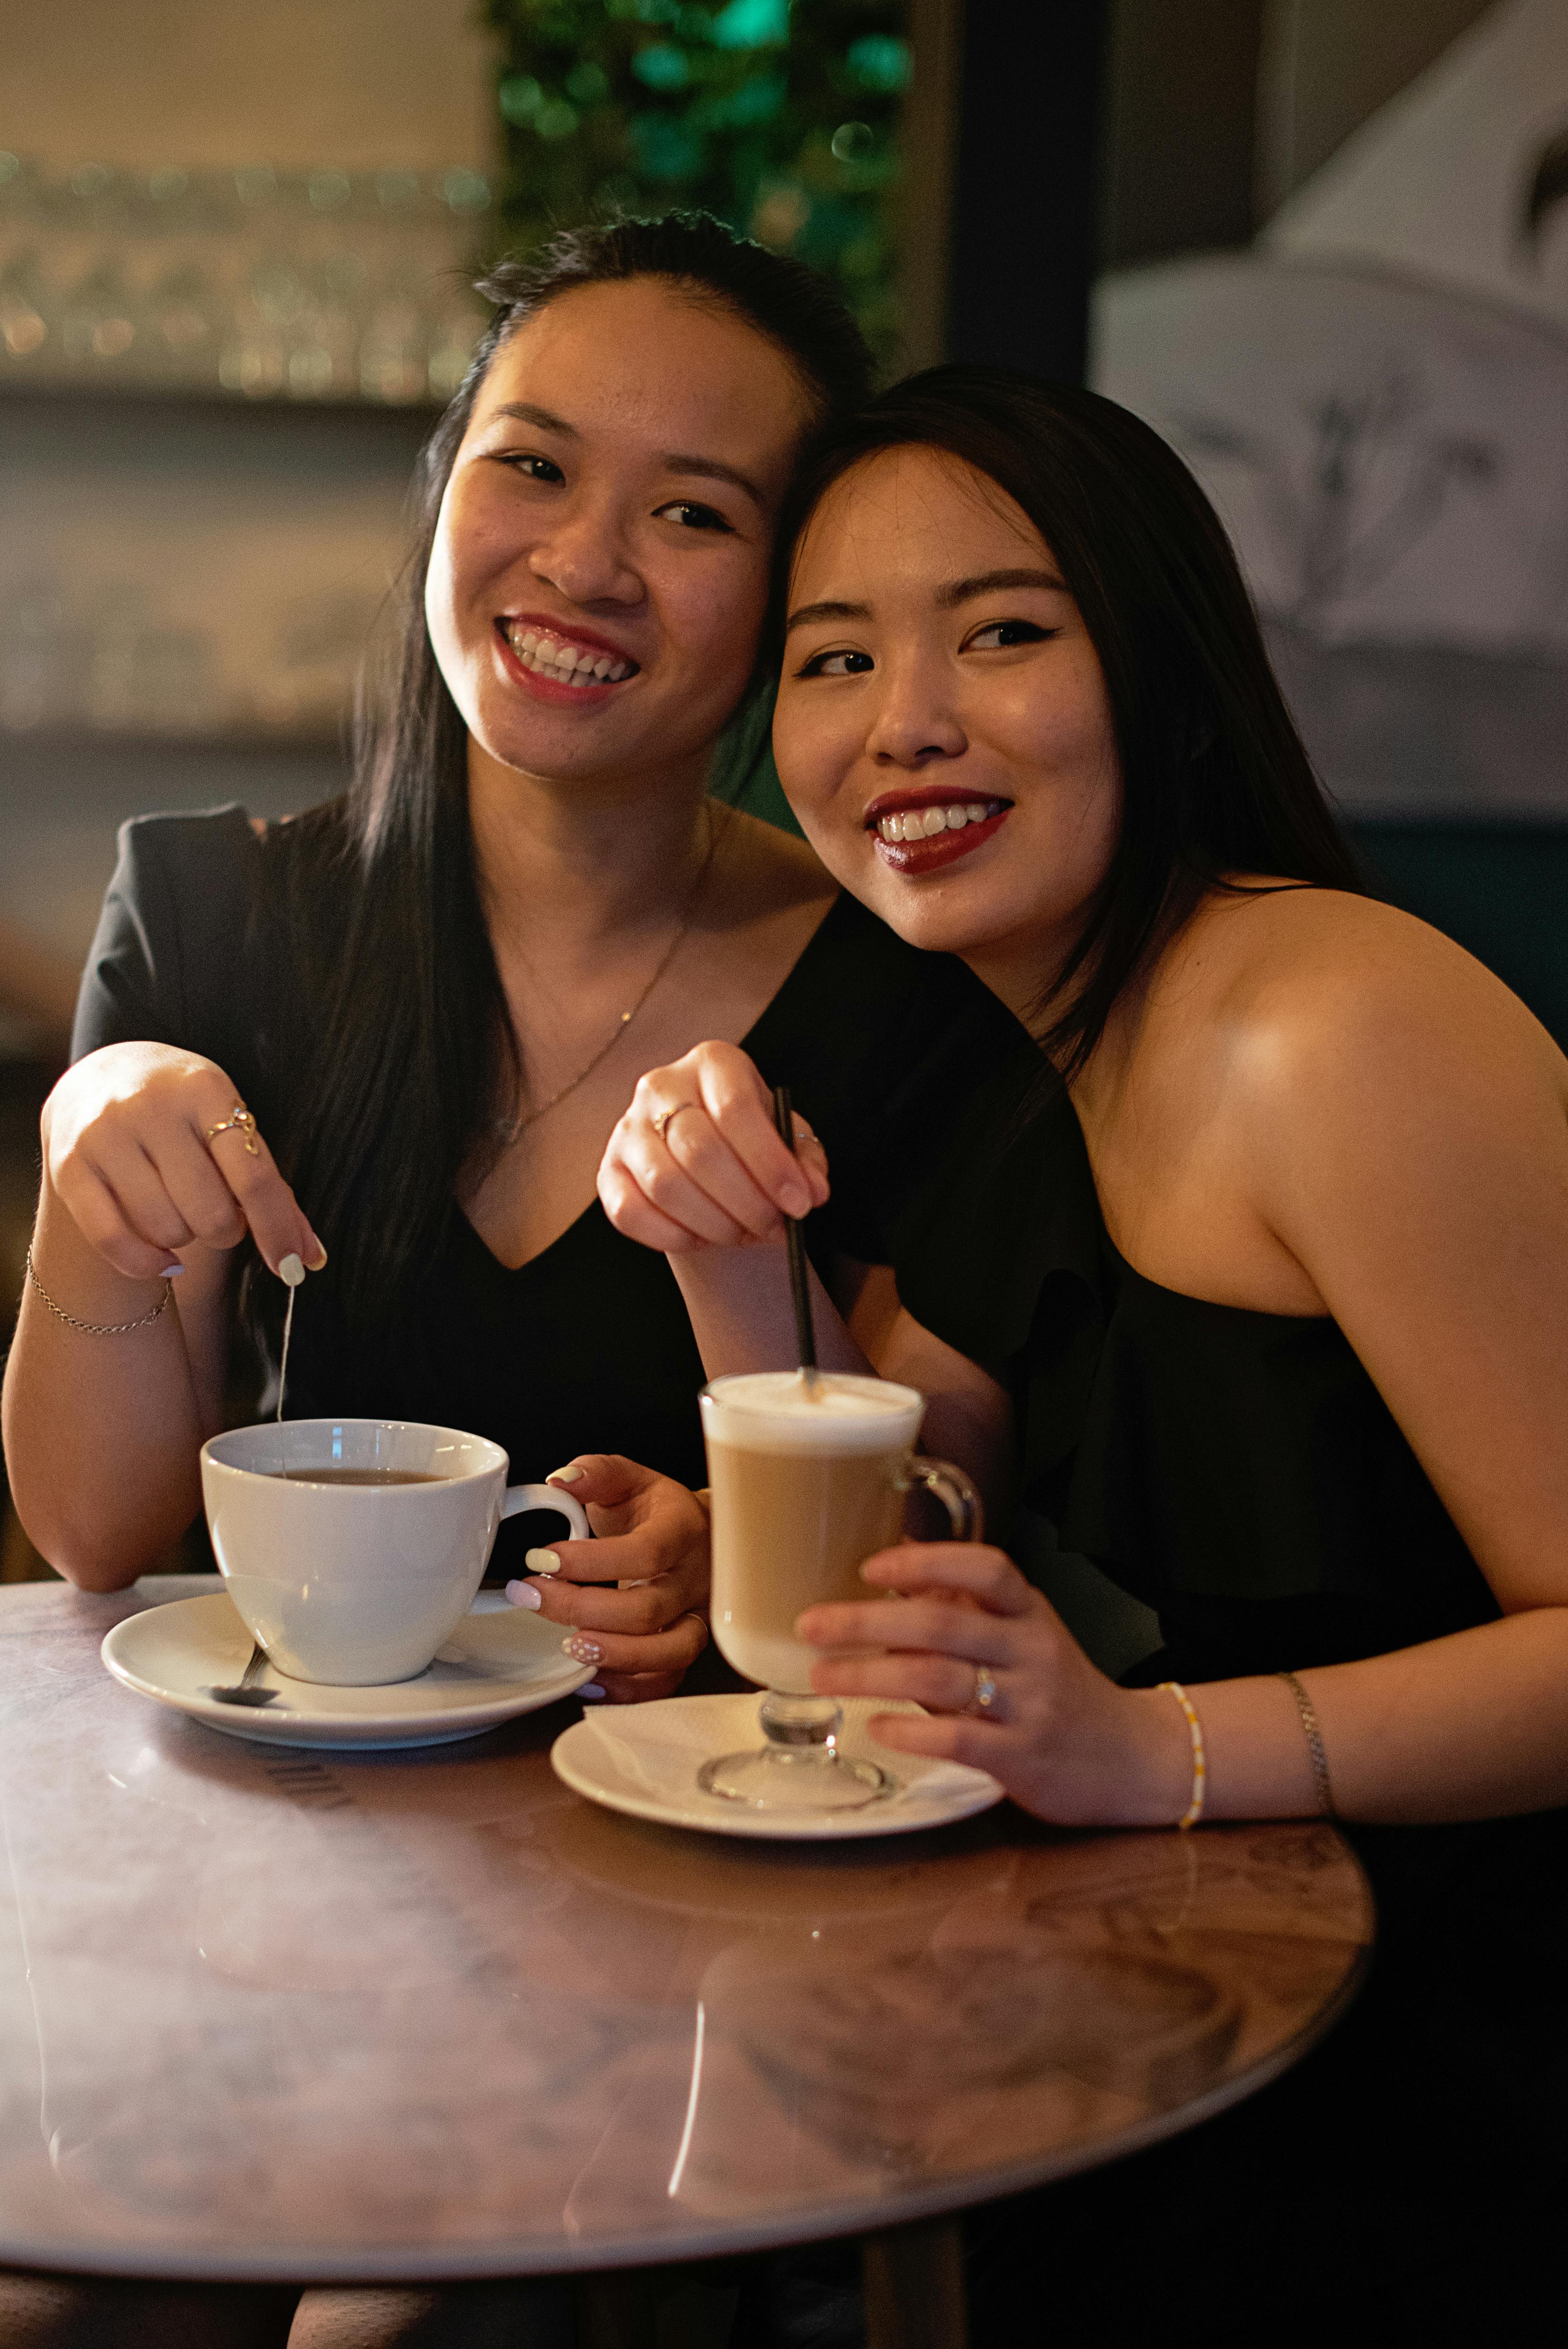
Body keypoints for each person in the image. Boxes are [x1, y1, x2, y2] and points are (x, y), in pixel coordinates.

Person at [0, 236, 1024, 2349]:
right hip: (255, 1881)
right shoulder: (211, 913)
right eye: (531, 468)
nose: (584, 564)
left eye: (693, 512)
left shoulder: (903, 989)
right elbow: (98, 1534)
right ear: (444, 492)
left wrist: (727, 1530)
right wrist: (91, 1172)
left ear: (784, 604)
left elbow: (953, 1505)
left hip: (680, 1927)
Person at [600, 367, 1568, 2338]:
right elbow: (885, 1520)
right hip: (1201, 2013)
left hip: (1479, 2090)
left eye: (1004, 633)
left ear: (1163, 670)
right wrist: (720, 1276)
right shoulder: (1018, 1047)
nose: (904, 725)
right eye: (833, 657)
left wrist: (1148, 1750)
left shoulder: (1329, 1028)